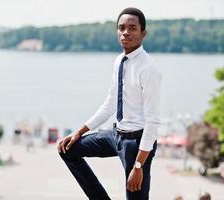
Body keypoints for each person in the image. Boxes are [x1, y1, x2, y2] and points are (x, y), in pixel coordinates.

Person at [57, 7, 161, 200]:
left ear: (143, 33)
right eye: (121, 28)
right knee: (68, 150)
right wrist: (79, 132)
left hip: (136, 144)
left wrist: (138, 166)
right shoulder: (119, 61)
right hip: (116, 136)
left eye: (132, 28)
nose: (126, 33)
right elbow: (111, 102)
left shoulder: (149, 69)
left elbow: (153, 122)